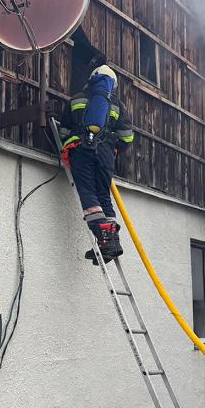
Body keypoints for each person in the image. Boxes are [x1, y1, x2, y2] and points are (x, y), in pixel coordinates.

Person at [59, 64, 134, 264]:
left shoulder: (77, 99)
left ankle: (103, 236)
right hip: (106, 153)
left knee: (88, 193)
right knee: (103, 195)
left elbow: (64, 131)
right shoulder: (118, 105)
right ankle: (111, 242)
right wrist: (112, 148)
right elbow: (127, 138)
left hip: (81, 150)